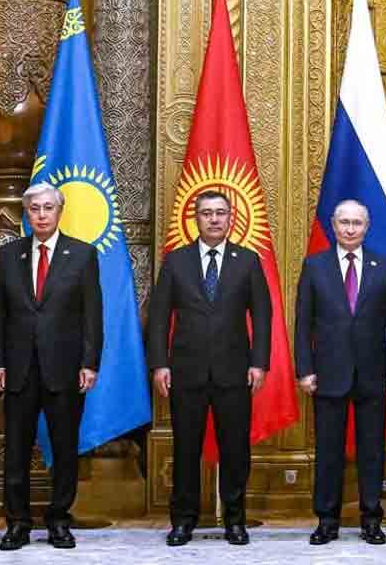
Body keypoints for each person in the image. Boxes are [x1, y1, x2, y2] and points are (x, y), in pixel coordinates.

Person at [147, 189, 271, 547]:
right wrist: (159, 364)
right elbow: (158, 318)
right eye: (206, 213)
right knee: (186, 449)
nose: (214, 219)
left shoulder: (247, 261)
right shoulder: (176, 261)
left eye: (220, 213)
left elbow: (262, 316)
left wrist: (259, 362)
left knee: (235, 450)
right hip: (186, 372)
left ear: (230, 217)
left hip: (235, 372)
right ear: (195, 218)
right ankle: (183, 521)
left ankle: (235, 521)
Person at [0, 182, 102, 550]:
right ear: (27, 212)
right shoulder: (9, 255)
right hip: (19, 368)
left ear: (59, 211)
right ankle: (17, 523)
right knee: (17, 450)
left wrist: (90, 362)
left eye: (47, 208)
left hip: (66, 368)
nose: (41, 214)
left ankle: (58, 521)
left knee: (65, 447)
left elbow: (92, 316)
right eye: (34, 208)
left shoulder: (83, 255)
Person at [295, 199, 386, 546]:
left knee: (372, 451)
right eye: (345, 222)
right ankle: (327, 520)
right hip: (328, 374)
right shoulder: (314, 267)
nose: (350, 228)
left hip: (373, 374)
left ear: (367, 227)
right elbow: (302, 325)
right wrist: (304, 370)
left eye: (357, 223)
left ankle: (371, 519)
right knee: (328, 451)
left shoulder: (384, 267)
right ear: (333, 224)